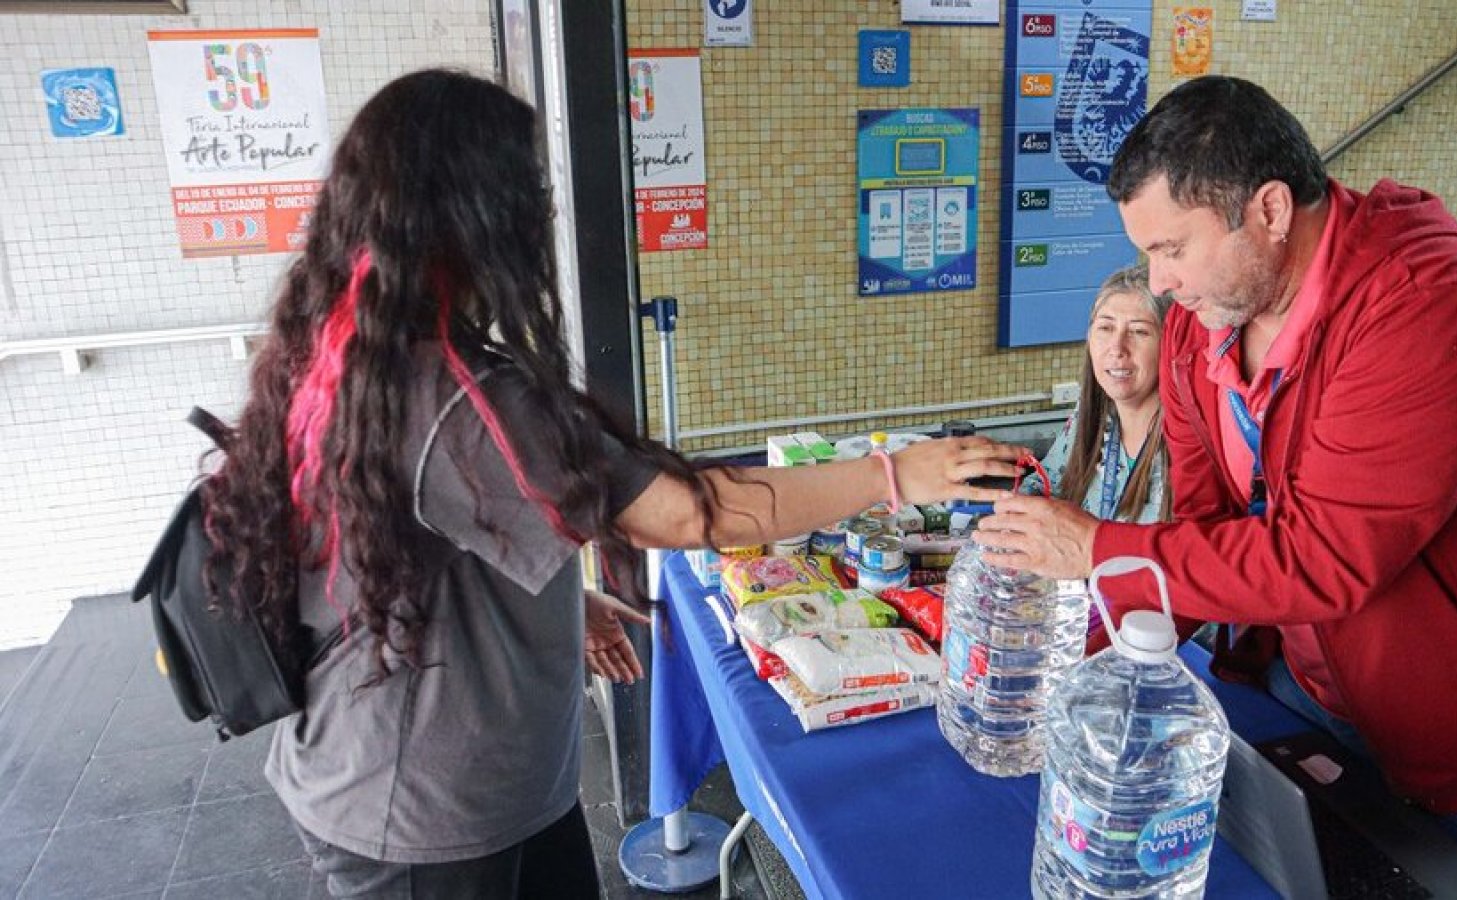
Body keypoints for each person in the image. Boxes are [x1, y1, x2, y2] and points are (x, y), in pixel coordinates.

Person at [201, 69, 1022, 898]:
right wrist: (895, 472)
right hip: (425, 812)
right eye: (530, 189)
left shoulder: (352, 348)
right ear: (472, 213)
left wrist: (556, 599)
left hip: (414, 769)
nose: (546, 212)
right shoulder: (459, 399)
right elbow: (695, 513)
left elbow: (404, 540)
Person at [976, 75, 1457, 878]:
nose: (1158, 282)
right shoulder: (1204, 327)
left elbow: (1324, 557)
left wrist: (1097, 547)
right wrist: (1070, 665)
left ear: (1270, 211)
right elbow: (1201, 530)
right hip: (1307, 684)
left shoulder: (1431, 307)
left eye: (1172, 248)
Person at [1020, 263, 1171, 526]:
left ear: (1170, 344)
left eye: (1138, 332)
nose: (1117, 348)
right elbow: (1049, 484)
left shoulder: (1186, 440)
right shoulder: (1093, 415)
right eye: (1105, 328)